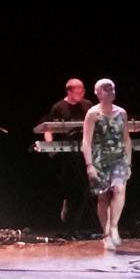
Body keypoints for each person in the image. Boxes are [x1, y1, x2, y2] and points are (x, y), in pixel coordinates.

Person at [81, 78, 132, 251]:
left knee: (119, 189)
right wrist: (89, 165)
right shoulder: (93, 114)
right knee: (103, 197)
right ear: (98, 93)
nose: (111, 92)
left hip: (119, 158)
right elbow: (86, 141)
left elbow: (126, 139)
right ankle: (106, 234)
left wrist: (129, 163)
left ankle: (114, 226)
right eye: (106, 89)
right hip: (99, 160)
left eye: (112, 89)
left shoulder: (121, 113)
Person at [43, 78, 94, 239]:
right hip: (67, 154)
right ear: (69, 91)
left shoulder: (88, 105)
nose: (82, 93)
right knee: (73, 189)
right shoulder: (58, 107)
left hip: (86, 151)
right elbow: (48, 129)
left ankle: (77, 227)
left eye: (83, 90)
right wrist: (49, 146)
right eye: (79, 91)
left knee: (86, 187)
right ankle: (70, 225)